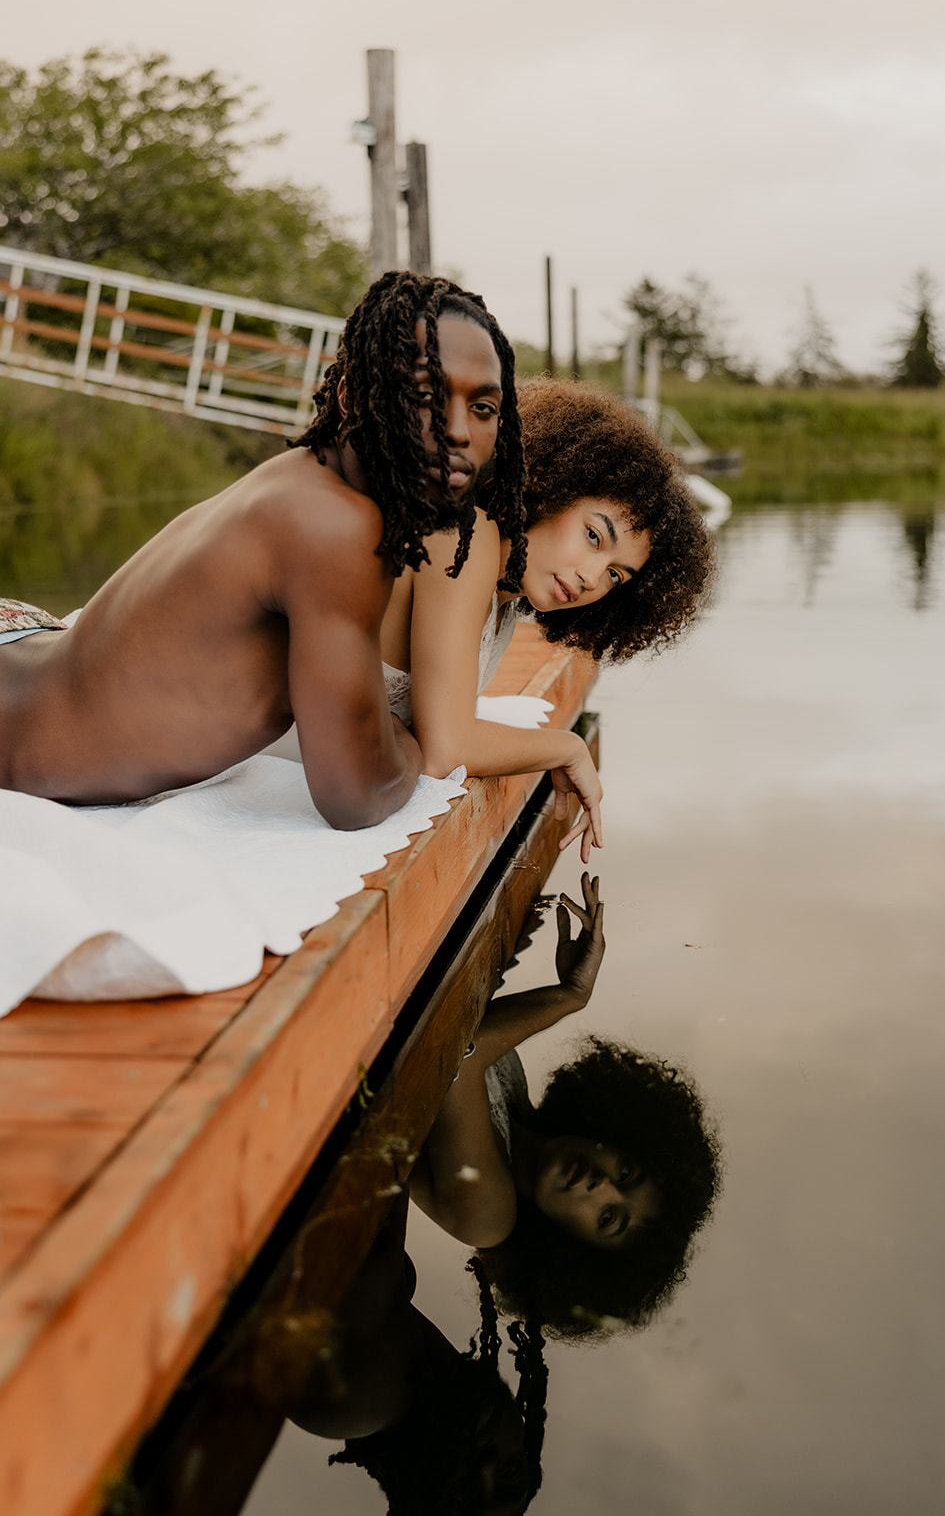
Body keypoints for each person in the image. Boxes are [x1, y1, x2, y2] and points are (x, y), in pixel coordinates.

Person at [0, 273, 526, 829]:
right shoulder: (335, 526)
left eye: (484, 408)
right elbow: (357, 798)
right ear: (350, 395)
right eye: (424, 395)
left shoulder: (308, 484)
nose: (458, 430)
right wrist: (416, 743)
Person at [370, 376, 713, 861]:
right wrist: (566, 747)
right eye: (594, 536)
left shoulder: (503, 601)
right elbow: (445, 749)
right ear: (550, 483)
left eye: (616, 575)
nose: (593, 578)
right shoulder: (468, 538)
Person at [410, 876, 722, 1339]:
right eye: (627, 1173)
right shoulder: (519, 1108)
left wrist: (569, 996)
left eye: (608, 1218)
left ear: (572, 1251)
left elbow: (454, 1053)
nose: (601, 1185)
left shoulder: (489, 1217)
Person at [290, 1192, 548, 1516]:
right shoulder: (396, 1363)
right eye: (511, 1469)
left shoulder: (357, 1399)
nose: (488, 1461)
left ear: (422, 1488)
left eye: (467, 1492)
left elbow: (382, 1158)